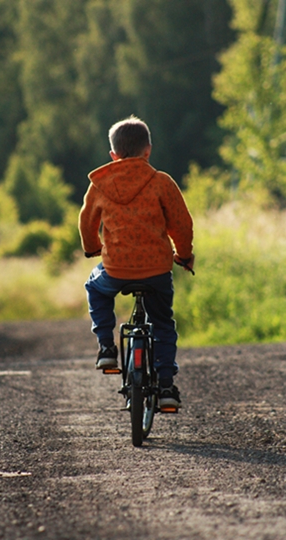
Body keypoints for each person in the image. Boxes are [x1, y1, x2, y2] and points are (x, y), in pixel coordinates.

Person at [78, 115, 194, 408]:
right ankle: (166, 387)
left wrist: (93, 248)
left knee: (95, 287)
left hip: (115, 268)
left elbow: (86, 222)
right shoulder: (161, 182)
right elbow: (181, 224)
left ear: (113, 154)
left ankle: (106, 347)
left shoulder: (100, 185)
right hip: (156, 269)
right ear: (148, 150)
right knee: (163, 324)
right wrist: (183, 255)